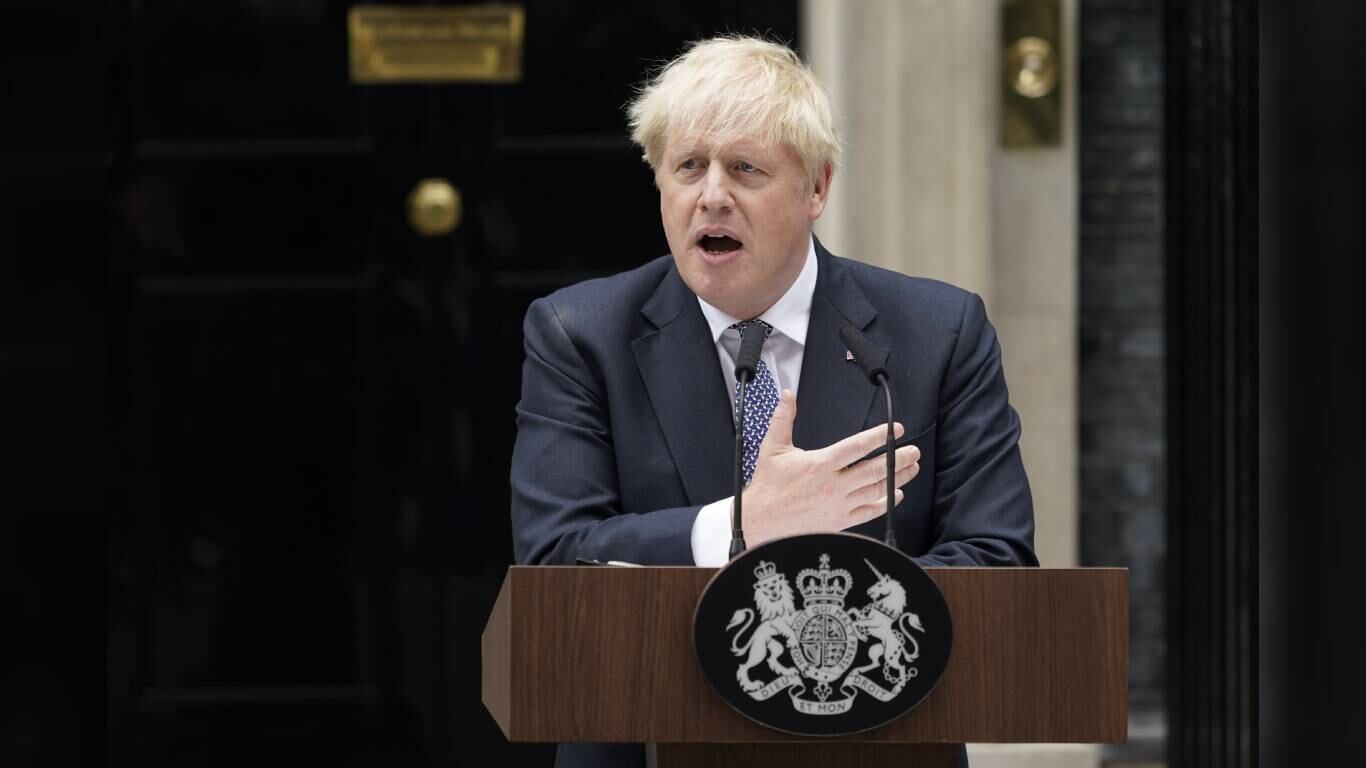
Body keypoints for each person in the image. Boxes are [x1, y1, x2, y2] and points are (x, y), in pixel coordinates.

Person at [509, 36, 1037, 768]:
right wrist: (745, 525)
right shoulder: (580, 335)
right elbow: (555, 563)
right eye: (688, 167)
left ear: (817, 187)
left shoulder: (938, 333)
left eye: (745, 168)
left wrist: (830, 604)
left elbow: (998, 563)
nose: (711, 196)